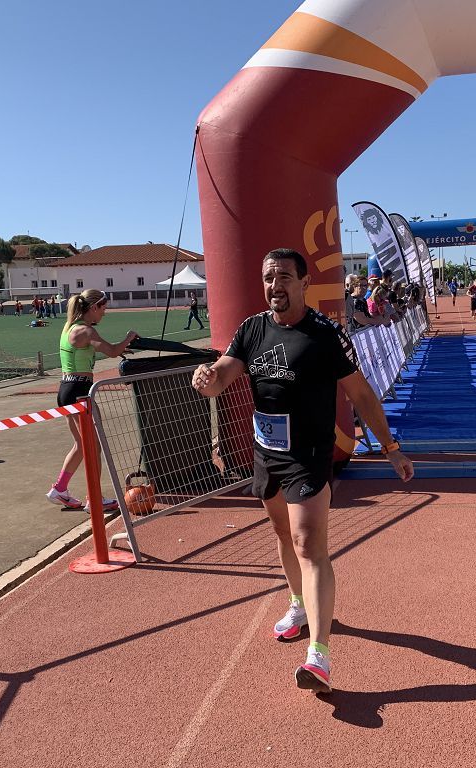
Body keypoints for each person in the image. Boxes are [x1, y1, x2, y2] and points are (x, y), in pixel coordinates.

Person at [191, 248, 413, 695]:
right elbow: (223, 375)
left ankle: (319, 655)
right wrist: (206, 378)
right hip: (266, 453)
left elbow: (362, 394)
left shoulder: (326, 334)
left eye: (285, 277)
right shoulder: (251, 330)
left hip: (309, 454)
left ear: (304, 283)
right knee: (282, 535)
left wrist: (390, 447)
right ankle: (298, 604)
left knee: (310, 544)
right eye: (268, 278)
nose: (276, 286)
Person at [46, 289, 138, 512]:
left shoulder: (70, 327)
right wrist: (130, 337)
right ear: (94, 307)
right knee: (93, 447)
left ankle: (59, 489)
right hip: (79, 391)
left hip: (67, 389)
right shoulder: (85, 331)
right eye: (103, 309)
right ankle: (94, 499)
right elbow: (113, 351)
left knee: (81, 445)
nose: (104, 314)